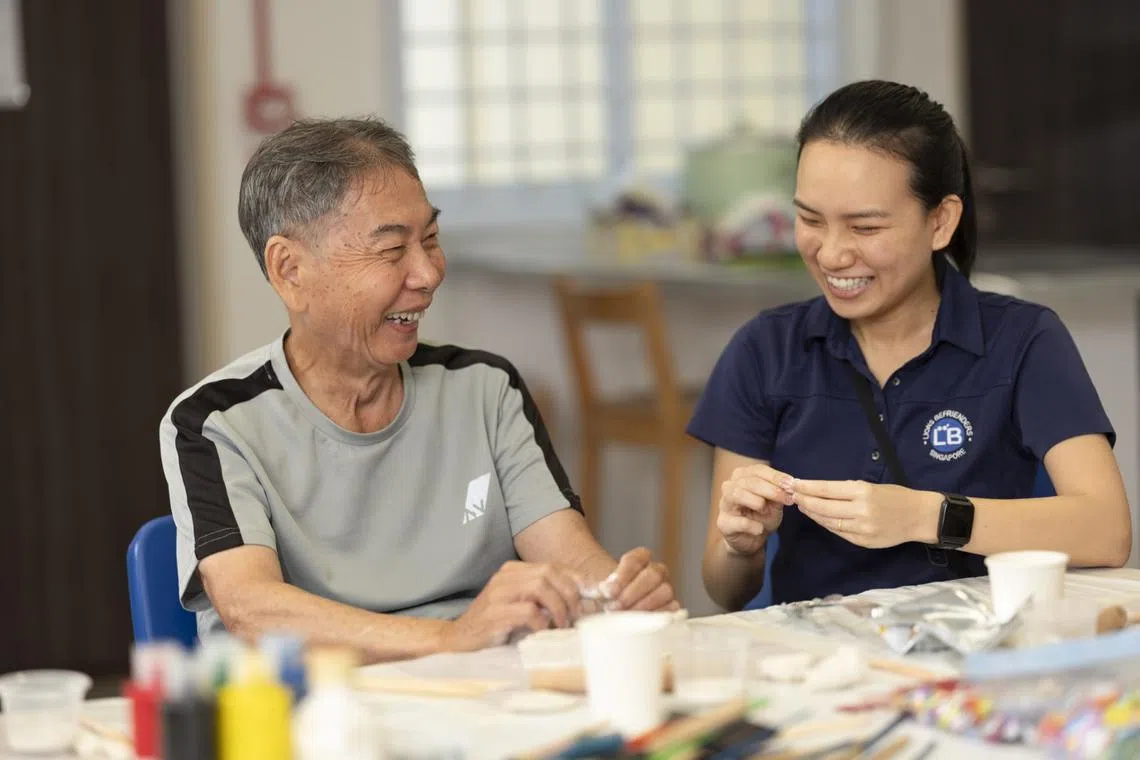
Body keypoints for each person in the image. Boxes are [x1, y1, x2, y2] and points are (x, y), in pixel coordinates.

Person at [159, 117, 677, 661]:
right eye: (392, 250)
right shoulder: (217, 421)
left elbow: (572, 560)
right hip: (320, 702)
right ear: (290, 270)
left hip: (484, 694)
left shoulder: (484, 389)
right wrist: (450, 639)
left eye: (430, 239)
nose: (428, 274)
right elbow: (252, 610)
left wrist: (618, 596)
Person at [689, 80, 1132, 611]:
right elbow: (725, 589)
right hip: (820, 652)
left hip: (981, 643)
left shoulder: (1024, 339)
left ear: (940, 221)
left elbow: (1106, 531)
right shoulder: (764, 350)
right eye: (809, 220)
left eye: (865, 227)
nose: (830, 254)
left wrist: (925, 516)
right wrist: (740, 545)